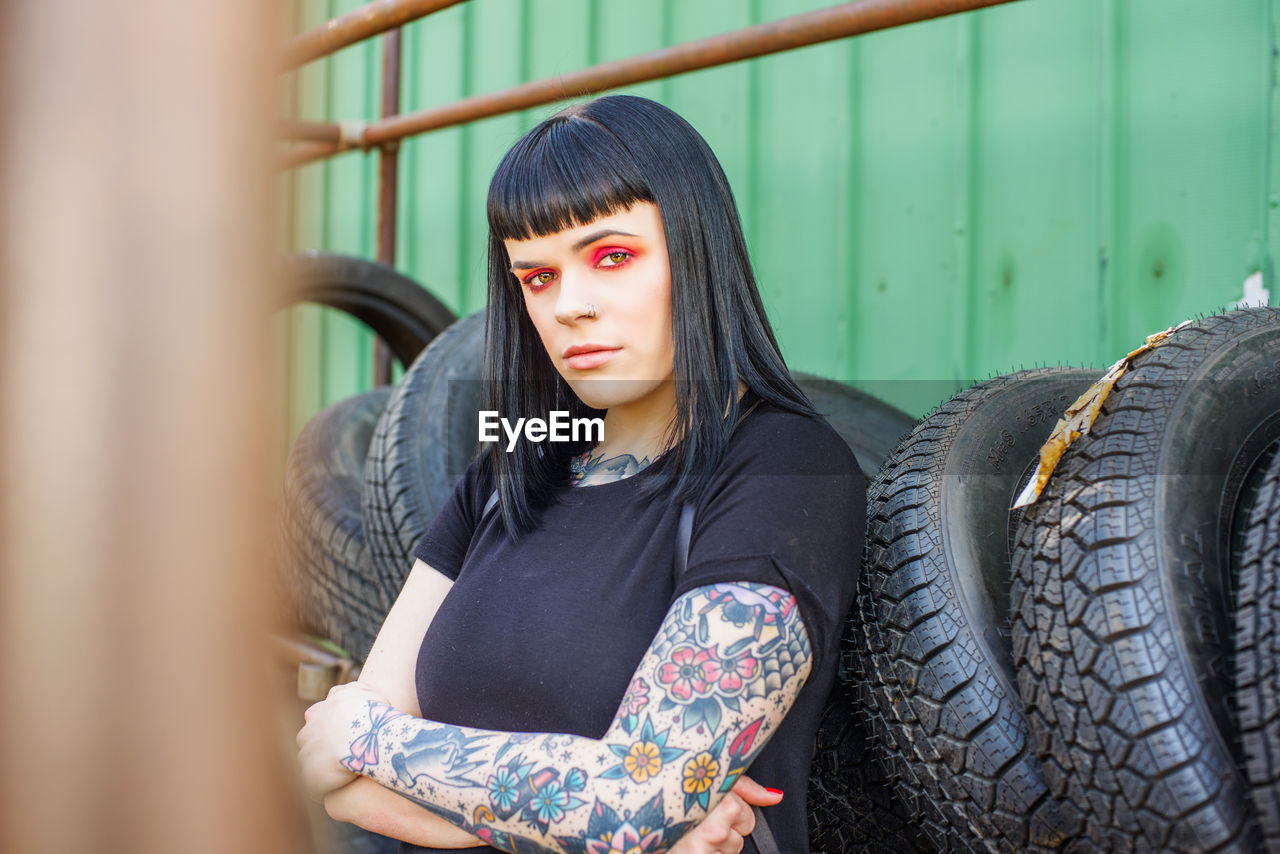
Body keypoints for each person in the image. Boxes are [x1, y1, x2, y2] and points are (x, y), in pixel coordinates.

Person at [297, 94, 866, 854]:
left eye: (612, 257)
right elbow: (330, 775)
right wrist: (589, 823)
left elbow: (625, 803)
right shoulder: (507, 471)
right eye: (535, 277)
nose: (570, 306)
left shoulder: (786, 472)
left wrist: (375, 742)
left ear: (695, 252)